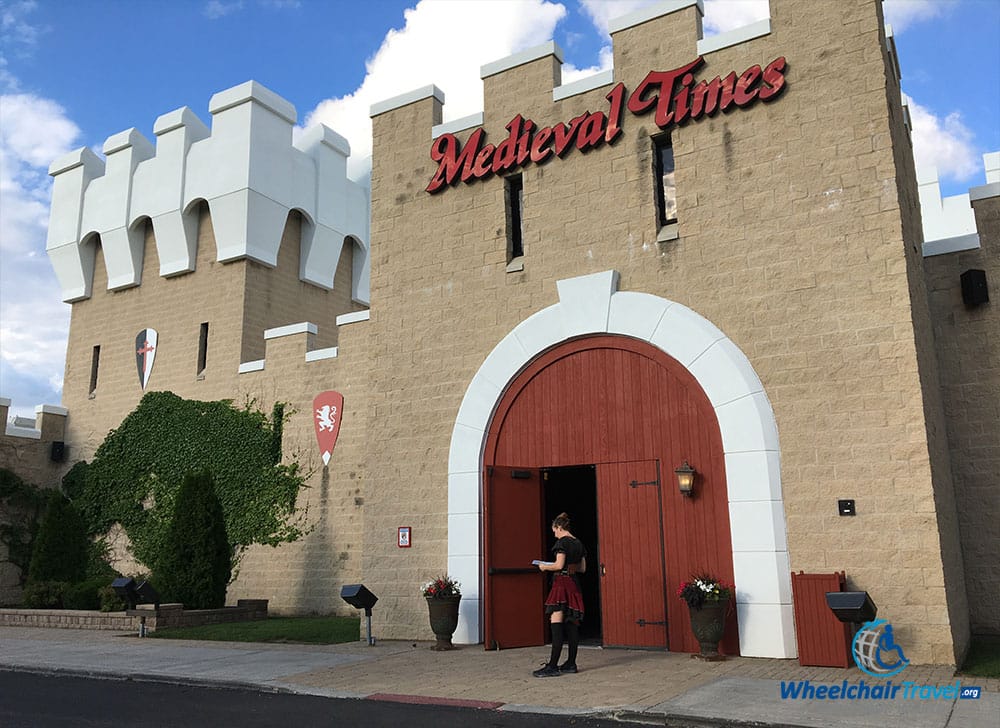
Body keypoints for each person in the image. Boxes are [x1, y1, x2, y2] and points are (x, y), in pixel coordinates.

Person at [533, 512, 587, 677]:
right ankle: (571, 663)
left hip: (561, 585)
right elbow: (582, 568)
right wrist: (571, 567)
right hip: (573, 584)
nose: (554, 533)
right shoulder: (578, 543)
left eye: (554, 530)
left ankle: (552, 666)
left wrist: (543, 566)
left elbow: (558, 565)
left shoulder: (562, 543)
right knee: (571, 623)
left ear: (559, 527)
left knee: (555, 622)